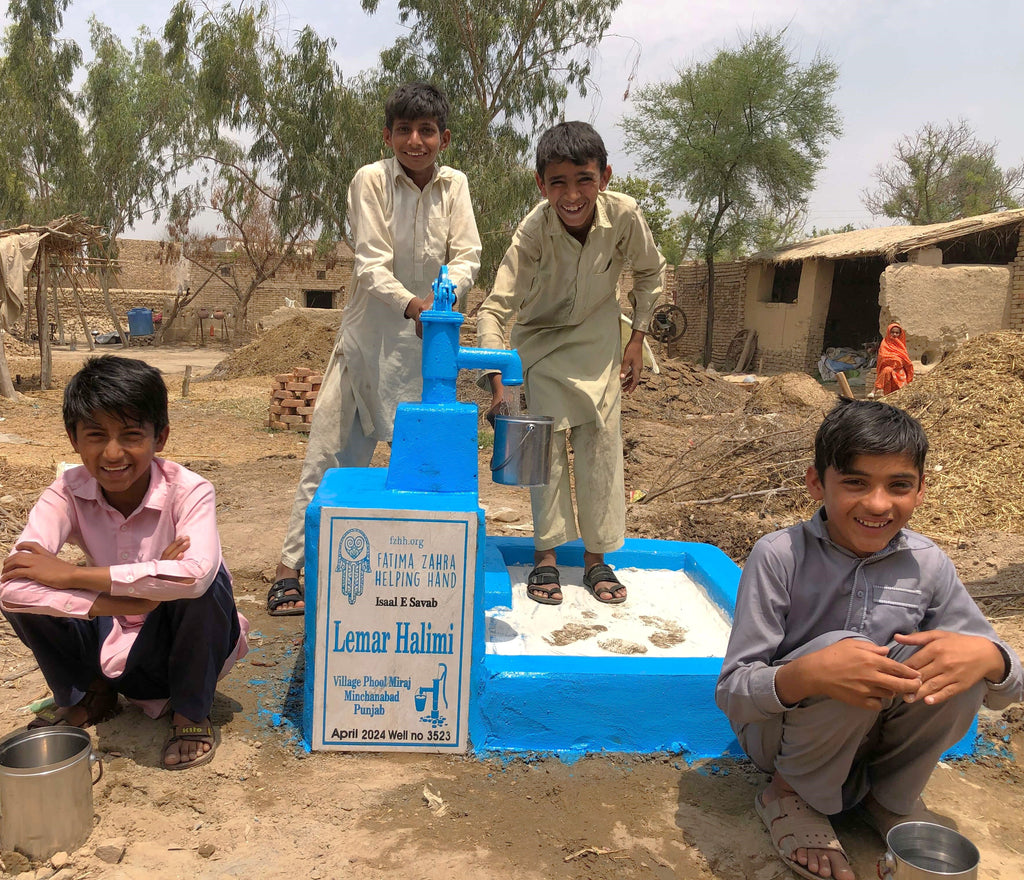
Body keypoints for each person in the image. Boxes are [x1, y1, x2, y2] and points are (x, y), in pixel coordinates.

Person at [715, 399, 1022, 880]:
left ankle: (889, 797)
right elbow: (733, 690)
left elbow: (1010, 683)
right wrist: (806, 674)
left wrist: (990, 658)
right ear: (817, 482)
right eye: (855, 482)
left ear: (921, 490)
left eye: (898, 485)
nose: (878, 504)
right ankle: (791, 794)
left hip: (876, 736)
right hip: (785, 739)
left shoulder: (930, 564)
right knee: (845, 653)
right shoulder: (778, 556)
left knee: (957, 657)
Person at [269, 81, 481, 615]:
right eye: (405, 130)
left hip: (426, 349)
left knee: (417, 465)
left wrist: (444, 296)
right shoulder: (370, 181)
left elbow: (469, 254)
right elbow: (370, 263)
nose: (416, 140)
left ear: (444, 138)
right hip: (368, 341)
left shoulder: (455, 187)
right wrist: (416, 306)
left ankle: (411, 572)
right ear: (388, 136)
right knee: (329, 453)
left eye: (427, 131)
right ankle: (289, 570)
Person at [0, 356, 249, 770]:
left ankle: (190, 709)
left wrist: (72, 575)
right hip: (113, 638)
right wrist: (125, 600)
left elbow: (195, 575)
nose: (113, 453)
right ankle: (92, 694)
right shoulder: (66, 492)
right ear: (74, 439)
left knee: (207, 587)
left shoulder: (190, 491)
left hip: (181, 645)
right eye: (96, 435)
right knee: (25, 596)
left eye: (131, 435)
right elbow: (11, 585)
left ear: (160, 437)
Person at [476, 121, 665, 606]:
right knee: (547, 455)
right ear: (542, 185)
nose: (572, 194)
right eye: (557, 182)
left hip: (600, 342)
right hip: (539, 345)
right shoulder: (533, 230)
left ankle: (598, 558)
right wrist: (500, 389)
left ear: (603, 176)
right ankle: (547, 557)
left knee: (602, 448)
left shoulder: (624, 216)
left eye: (583, 179)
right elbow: (496, 309)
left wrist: (636, 341)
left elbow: (650, 270)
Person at [873, 322, 914, 396]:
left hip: (899, 371)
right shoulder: (884, 344)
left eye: (897, 333)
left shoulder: (901, 345)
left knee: (901, 393)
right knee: (887, 371)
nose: (895, 335)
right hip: (889, 370)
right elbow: (883, 357)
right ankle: (874, 391)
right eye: (892, 332)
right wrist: (895, 360)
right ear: (889, 332)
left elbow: (905, 360)